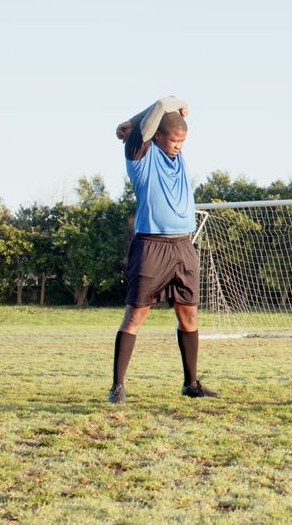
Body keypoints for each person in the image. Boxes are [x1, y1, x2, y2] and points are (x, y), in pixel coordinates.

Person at [108, 96, 219, 404]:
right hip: (151, 246)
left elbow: (181, 108)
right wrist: (139, 118)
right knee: (135, 316)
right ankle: (118, 386)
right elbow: (166, 104)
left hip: (183, 245)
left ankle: (191, 383)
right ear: (156, 136)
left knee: (189, 316)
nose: (178, 145)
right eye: (173, 139)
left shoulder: (177, 157)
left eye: (182, 141)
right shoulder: (140, 156)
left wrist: (142, 116)